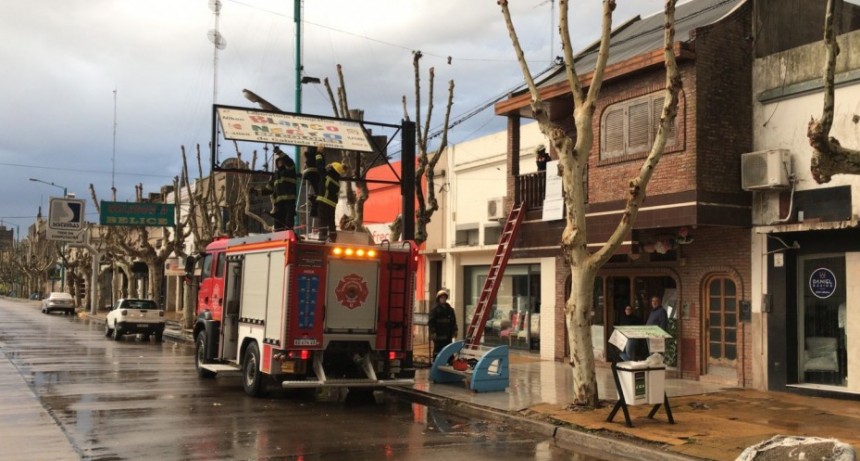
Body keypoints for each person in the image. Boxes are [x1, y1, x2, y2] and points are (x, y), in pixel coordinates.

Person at [258, 147, 297, 231]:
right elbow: (268, 189)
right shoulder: (275, 176)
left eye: (281, 161)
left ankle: (289, 234)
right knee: (278, 223)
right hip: (279, 204)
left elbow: (288, 161)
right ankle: (279, 235)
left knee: (288, 222)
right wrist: (256, 192)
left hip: (289, 202)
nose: (280, 163)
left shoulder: (290, 170)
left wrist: (279, 152)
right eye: (278, 161)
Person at [315, 161, 345, 241]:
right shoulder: (337, 183)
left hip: (323, 202)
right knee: (331, 221)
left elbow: (319, 166)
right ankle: (333, 237)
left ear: (332, 169)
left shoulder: (326, 176)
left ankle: (322, 237)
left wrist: (319, 153)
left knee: (323, 220)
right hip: (331, 205)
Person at [428, 289, 457, 361]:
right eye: (441, 297)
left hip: (448, 334)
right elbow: (431, 322)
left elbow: (453, 321)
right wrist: (433, 332)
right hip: (438, 334)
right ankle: (436, 362)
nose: (443, 299)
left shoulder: (450, 309)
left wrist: (455, 330)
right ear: (438, 299)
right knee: (438, 349)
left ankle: (450, 361)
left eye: (444, 297)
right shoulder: (435, 309)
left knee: (448, 348)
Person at [301, 144, 325, 217]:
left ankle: (313, 207)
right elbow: (319, 164)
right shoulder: (316, 153)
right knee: (319, 192)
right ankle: (314, 211)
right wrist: (319, 153)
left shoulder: (311, 152)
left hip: (310, 172)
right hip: (314, 172)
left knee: (318, 191)